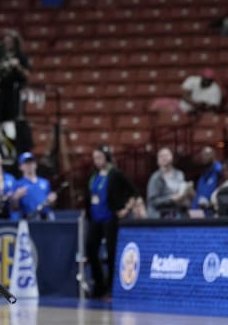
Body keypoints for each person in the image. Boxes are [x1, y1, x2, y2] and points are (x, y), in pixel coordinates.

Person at [83, 146, 140, 300]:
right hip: (95, 218)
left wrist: (126, 209)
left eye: (100, 157)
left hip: (110, 218)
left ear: (107, 157)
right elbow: (89, 195)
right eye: (95, 158)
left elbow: (134, 191)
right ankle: (99, 285)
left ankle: (111, 288)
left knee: (112, 253)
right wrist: (85, 211)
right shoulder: (93, 175)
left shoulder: (115, 174)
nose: (97, 161)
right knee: (91, 250)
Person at [0, 29, 31, 145]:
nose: (8, 44)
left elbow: (27, 74)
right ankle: (2, 140)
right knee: (0, 117)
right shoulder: (0, 55)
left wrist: (18, 66)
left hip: (15, 92)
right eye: (6, 41)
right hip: (3, 91)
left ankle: (14, 142)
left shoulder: (21, 56)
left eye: (10, 41)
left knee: (14, 118)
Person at [146, 148, 193, 218]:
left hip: (179, 214)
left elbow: (182, 194)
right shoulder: (155, 178)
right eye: (161, 156)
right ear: (158, 161)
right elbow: (152, 201)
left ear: (172, 158)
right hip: (161, 217)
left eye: (167, 155)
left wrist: (188, 195)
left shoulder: (180, 174)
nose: (164, 158)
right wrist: (171, 199)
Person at [149, 68, 222, 114]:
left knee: (170, 111)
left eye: (208, 80)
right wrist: (194, 103)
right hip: (181, 105)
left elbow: (213, 106)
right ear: (202, 77)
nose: (206, 81)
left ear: (212, 80)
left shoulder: (215, 89)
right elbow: (184, 94)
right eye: (205, 79)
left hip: (196, 112)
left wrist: (202, 106)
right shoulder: (193, 80)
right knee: (157, 103)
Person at [12, 152, 56, 220]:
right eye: (26, 163)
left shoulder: (45, 182)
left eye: (31, 162)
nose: (29, 165)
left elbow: (52, 204)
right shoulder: (18, 184)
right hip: (29, 217)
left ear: (35, 164)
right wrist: (16, 197)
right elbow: (14, 208)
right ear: (20, 167)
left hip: (46, 217)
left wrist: (52, 200)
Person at [192, 147, 223, 214]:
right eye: (203, 155)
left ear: (213, 156)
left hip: (212, 213)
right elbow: (199, 193)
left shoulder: (219, 170)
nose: (204, 157)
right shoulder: (202, 174)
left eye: (207, 154)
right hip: (197, 212)